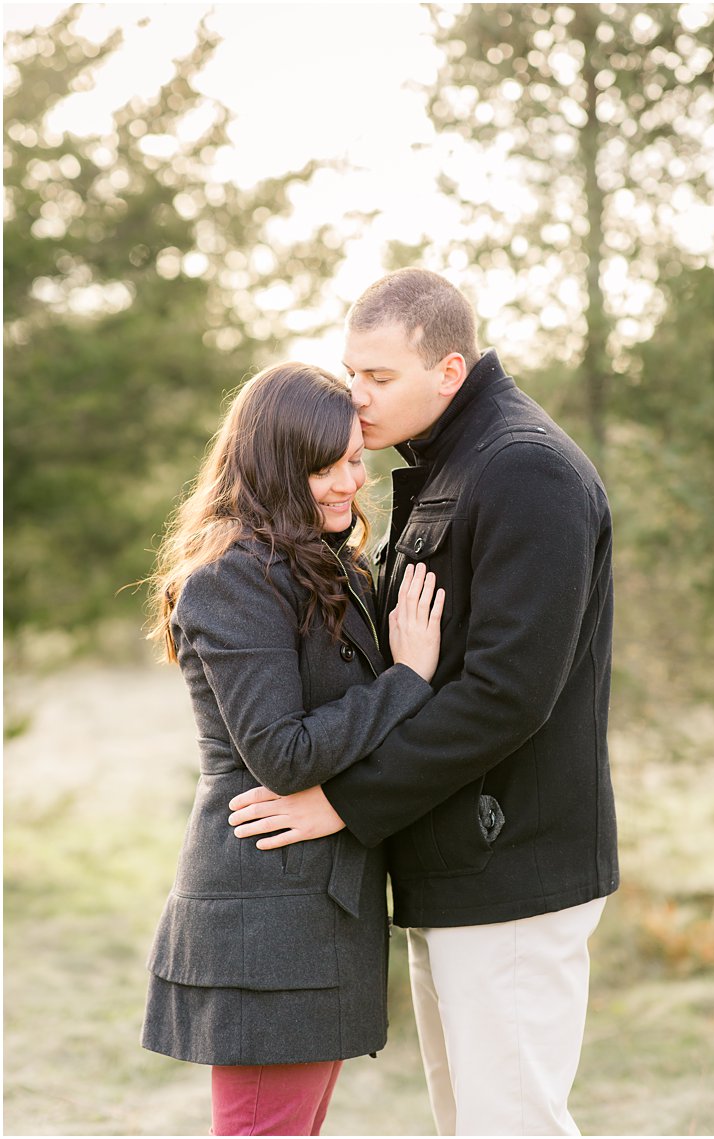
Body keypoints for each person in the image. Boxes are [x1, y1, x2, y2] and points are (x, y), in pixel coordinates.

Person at [224, 269, 618, 1135]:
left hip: (511, 858)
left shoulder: (524, 469)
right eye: (351, 372)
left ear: (449, 370)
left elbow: (507, 695)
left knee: (510, 1121)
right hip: (449, 859)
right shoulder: (452, 464)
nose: (356, 398)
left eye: (379, 377)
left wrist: (343, 801)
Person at [141, 362, 446, 1135]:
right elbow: (281, 752)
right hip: (264, 915)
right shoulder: (232, 581)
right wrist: (407, 677)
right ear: (274, 468)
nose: (349, 481)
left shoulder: (324, 562)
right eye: (324, 466)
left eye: (353, 458)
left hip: (323, 907)